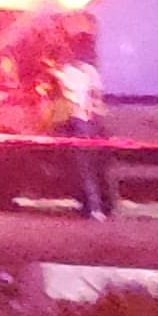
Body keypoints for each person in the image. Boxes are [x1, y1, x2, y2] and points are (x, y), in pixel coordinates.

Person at [51, 21, 114, 222]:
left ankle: (94, 207)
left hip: (81, 123)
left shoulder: (69, 72)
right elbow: (97, 96)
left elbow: (74, 93)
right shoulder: (88, 71)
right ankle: (96, 207)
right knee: (92, 169)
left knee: (87, 169)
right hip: (89, 123)